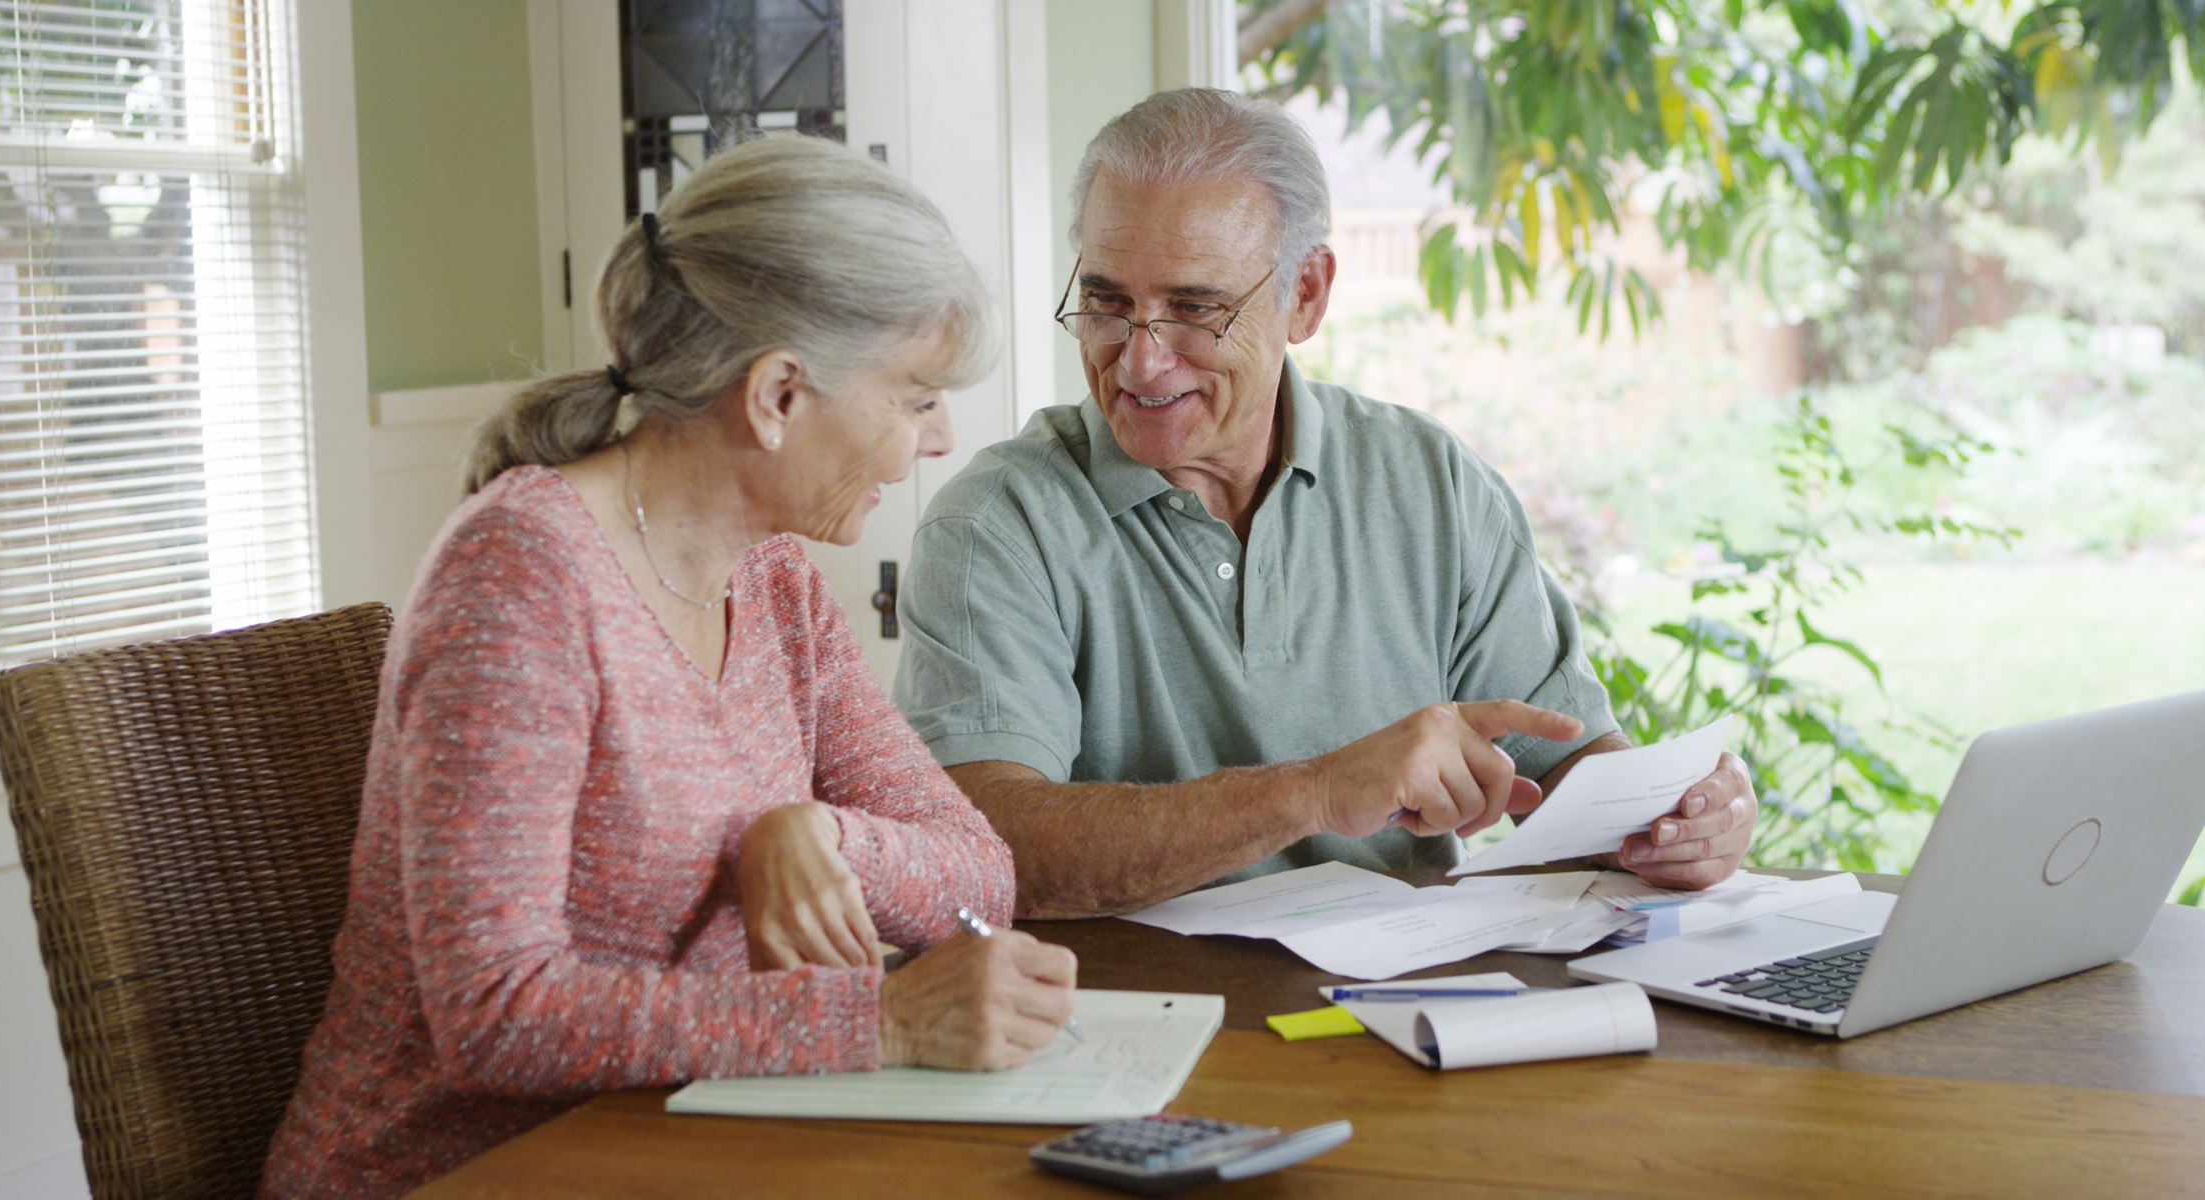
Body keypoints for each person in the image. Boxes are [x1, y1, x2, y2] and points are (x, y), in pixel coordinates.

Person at [262, 136, 1075, 1197]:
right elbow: (496, 1016)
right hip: (456, 1171)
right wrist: (879, 1019)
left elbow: (979, 871)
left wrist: (819, 833)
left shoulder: (771, 577)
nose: (936, 439)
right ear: (779, 393)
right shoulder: (517, 576)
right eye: (916, 396)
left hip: (689, 1147)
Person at [892, 89, 1757, 919]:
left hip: (1408, 1015)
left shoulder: (1430, 482)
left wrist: (1678, 821)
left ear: (1305, 294)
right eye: (1108, 304)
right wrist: (1315, 792)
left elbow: (1566, 767)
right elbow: (984, 848)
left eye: (1196, 310)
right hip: (1138, 1032)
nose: (1139, 362)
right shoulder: (995, 525)